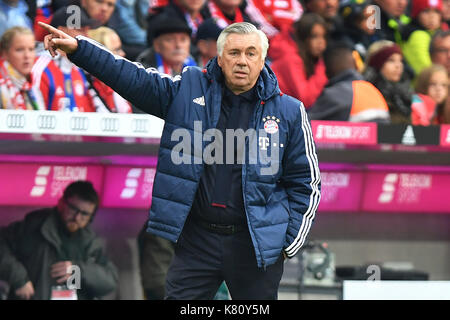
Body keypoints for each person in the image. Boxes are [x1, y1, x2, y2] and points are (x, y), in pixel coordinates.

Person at [39, 21, 321, 299]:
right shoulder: (188, 90)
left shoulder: (289, 112)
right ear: (220, 59)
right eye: (234, 53)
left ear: (263, 60)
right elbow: (132, 78)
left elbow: (307, 183)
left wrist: (288, 243)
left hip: (255, 242)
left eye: (251, 53)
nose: (242, 61)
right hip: (198, 240)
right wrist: (80, 50)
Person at [0, 181, 118, 300]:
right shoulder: (34, 226)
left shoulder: (90, 241)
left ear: (91, 217)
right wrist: (19, 279)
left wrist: (79, 271)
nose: (77, 217)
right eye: (73, 209)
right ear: (61, 202)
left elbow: (109, 281)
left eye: (84, 214)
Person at [31, 7, 98, 112]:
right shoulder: (40, 67)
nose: (86, 36)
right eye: (80, 30)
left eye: (86, 31)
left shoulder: (80, 69)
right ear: (60, 32)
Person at [308, 42, 390, 122]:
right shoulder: (372, 89)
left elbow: (304, 124)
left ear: (327, 69)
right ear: (354, 64)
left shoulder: (336, 94)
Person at [269, 12, 328, 108]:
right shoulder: (292, 59)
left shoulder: (306, 57)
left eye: (323, 36)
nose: (321, 42)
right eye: (314, 36)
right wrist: (321, 66)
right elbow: (305, 99)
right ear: (303, 37)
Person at [364, 40, 414, 123]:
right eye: (391, 60)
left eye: (400, 60)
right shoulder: (367, 94)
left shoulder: (405, 94)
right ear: (377, 64)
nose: (398, 65)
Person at [86, 26, 132, 113]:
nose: (123, 54)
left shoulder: (121, 84)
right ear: (101, 56)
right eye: (117, 50)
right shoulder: (84, 83)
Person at [0, 27, 45, 110]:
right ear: (4, 53)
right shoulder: (2, 84)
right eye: (19, 50)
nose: (27, 56)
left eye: (31, 49)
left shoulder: (33, 85)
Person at [400, 0, 443, 76]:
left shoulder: (434, 34)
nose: (432, 16)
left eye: (436, 11)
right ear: (417, 15)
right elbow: (426, 71)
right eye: (426, 11)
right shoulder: (419, 36)